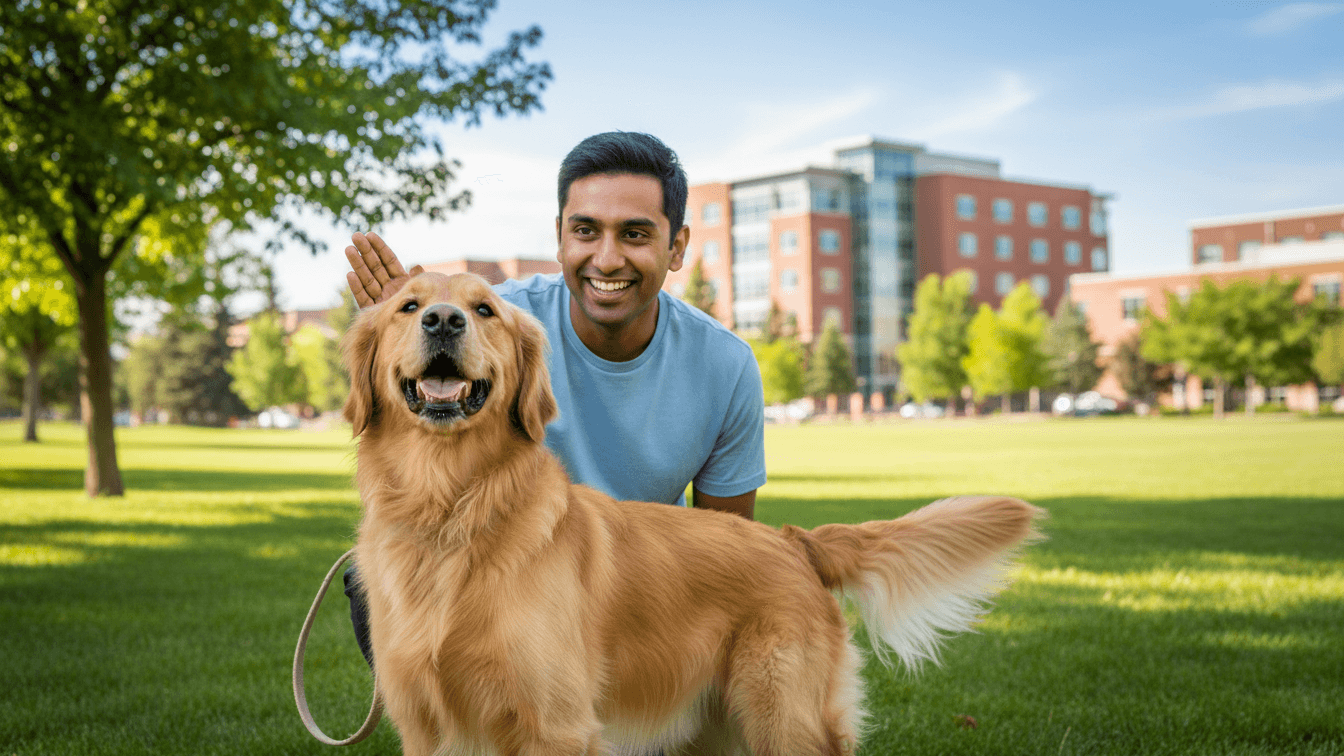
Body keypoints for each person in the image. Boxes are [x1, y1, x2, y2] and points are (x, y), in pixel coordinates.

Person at [342, 131, 767, 662]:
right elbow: (411, 477)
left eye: (635, 234)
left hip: (631, 603)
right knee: (374, 579)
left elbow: (726, 548)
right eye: (586, 231)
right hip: (499, 570)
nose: (607, 259)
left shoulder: (726, 365)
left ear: (676, 247)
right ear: (560, 238)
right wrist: (404, 333)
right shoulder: (495, 320)